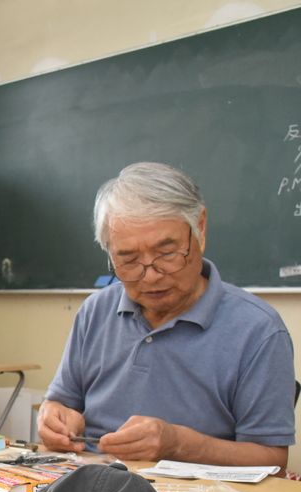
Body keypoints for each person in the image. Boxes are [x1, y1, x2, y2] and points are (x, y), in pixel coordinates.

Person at [38, 162, 295, 469]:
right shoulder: (95, 312)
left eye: (166, 253)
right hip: (91, 490)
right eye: (128, 259)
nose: (150, 276)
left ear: (200, 228)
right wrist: (53, 417)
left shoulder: (258, 330)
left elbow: (273, 463)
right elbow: (62, 402)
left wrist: (178, 444)